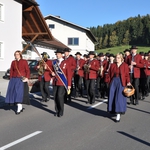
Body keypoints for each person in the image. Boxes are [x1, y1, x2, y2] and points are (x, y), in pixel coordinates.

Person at [5, 50, 30, 115]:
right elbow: (11, 71)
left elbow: (27, 70)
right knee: (14, 93)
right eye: (15, 54)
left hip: (21, 79)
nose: (16, 55)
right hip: (14, 79)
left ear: (20, 55)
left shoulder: (24, 61)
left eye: (18, 54)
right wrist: (10, 78)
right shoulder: (13, 62)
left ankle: (19, 108)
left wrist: (27, 77)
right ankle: (20, 106)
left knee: (19, 93)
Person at [108, 53, 131, 122]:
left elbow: (127, 74)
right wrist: (109, 81)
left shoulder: (125, 65)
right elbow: (109, 74)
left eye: (118, 58)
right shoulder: (112, 65)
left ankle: (119, 113)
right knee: (112, 96)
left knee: (119, 97)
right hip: (114, 81)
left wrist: (128, 81)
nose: (117, 59)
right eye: (116, 57)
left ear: (121, 58)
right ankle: (113, 110)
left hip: (121, 82)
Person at [52, 49, 72, 117]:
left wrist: (69, 84)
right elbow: (52, 71)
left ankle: (61, 111)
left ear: (61, 54)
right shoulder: (54, 62)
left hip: (62, 82)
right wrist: (52, 73)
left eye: (58, 54)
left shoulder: (66, 62)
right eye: (56, 54)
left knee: (60, 96)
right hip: (55, 82)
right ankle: (57, 110)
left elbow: (69, 74)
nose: (57, 55)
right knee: (55, 97)